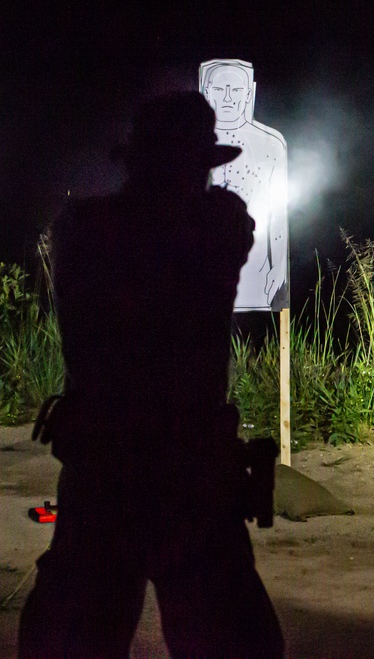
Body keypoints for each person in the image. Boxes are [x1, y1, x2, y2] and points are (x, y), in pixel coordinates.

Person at [18, 92, 284, 658]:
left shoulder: (82, 229)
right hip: (189, 470)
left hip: (102, 467)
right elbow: (227, 223)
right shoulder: (217, 226)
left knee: (71, 639)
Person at [200, 59, 289, 311]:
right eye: (219, 89)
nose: (228, 98)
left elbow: (278, 212)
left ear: (249, 93)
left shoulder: (270, 144)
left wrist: (278, 265)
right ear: (207, 92)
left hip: (253, 271)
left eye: (236, 90)